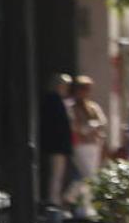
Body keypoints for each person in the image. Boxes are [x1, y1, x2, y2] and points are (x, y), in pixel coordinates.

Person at [67, 75, 107, 214]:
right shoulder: (71, 106)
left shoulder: (93, 107)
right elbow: (73, 126)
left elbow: (102, 122)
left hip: (93, 146)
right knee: (88, 176)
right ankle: (69, 197)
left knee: (89, 178)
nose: (85, 92)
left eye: (87, 89)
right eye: (82, 89)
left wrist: (94, 127)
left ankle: (84, 206)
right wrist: (85, 129)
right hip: (79, 146)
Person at [39, 73, 73, 207]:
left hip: (58, 144)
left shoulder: (58, 100)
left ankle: (56, 198)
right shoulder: (54, 100)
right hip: (57, 144)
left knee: (58, 173)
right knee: (56, 173)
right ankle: (54, 199)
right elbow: (57, 125)